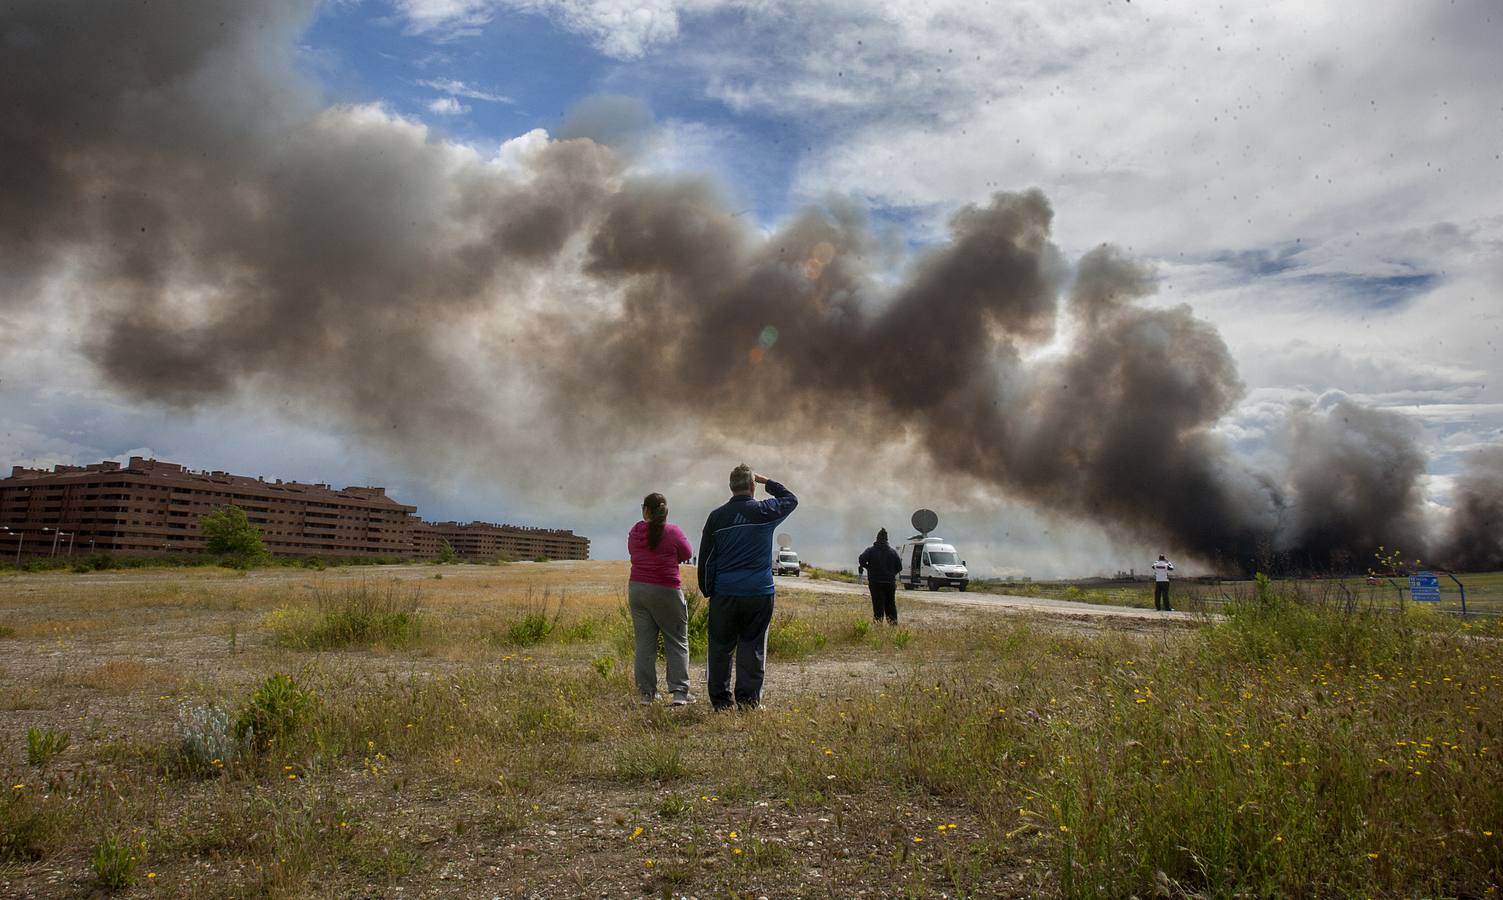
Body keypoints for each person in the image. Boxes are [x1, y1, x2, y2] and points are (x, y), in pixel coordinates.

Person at [697, 464, 797, 711]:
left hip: (725, 593)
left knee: (720, 648)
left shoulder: (716, 517)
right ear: (753, 486)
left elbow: (707, 558)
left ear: (730, 487)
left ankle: (721, 702)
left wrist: (708, 589)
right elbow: (790, 499)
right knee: (752, 646)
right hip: (759, 593)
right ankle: (749, 702)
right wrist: (767, 481)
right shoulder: (764, 511)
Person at [627, 493, 695, 705]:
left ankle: (646, 694)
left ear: (646, 510)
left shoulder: (636, 531)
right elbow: (688, 552)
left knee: (644, 643)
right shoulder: (673, 532)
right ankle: (679, 693)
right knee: (676, 641)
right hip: (666, 590)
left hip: (638, 589)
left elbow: (632, 551)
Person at [858, 528, 903, 623]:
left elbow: (861, 559)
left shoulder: (870, 550)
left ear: (877, 538)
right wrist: (891, 574)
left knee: (877, 604)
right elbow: (899, 567)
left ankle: (878, 625)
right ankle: (893, 626)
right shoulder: (893, 552)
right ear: (887, 539)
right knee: (890, 604)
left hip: (875, 583)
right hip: (890, 583)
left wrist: (868, 568)